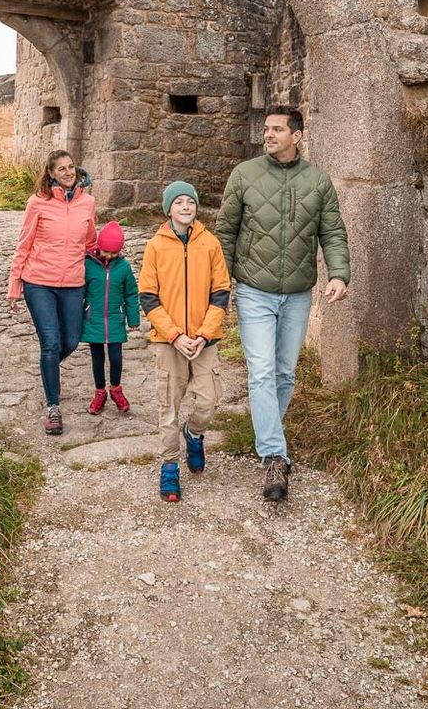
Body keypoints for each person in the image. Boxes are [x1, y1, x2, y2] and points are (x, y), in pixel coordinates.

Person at [215, 108, 350, 503]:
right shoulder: (244, 175)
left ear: (297, 135)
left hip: (297, 293)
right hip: (254, 289)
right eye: (267, 129)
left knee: (284, 373)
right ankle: (273, 455)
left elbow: (334, 232)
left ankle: (268, 434)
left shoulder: (318, 182)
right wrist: (221, 286)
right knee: (260, 372)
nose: (268, 135)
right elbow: (225, 232)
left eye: (277, 129)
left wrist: (339, 274)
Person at [138, 181, 230, 503]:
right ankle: (169, 465)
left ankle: (194, 433)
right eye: (178, 202)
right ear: (168, 209)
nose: (186, 207)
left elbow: (221, 293)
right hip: (169, 341)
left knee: (209, 400)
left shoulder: (211, 244)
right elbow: (148, 297)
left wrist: (204, 334)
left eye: (190, 202)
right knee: (169, 406)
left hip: (206, 339)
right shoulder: (155, 246)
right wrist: (175, 335)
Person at [7, 149, 97, 435]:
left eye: (71, 167)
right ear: (51, 174)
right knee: (50, 342)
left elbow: (91, 242)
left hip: (73, 283)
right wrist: (15, 285)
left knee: (70, 340)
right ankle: (53, 407)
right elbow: (24, 244)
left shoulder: (88, 203)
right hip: (39, 282)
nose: (68, 173)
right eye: (62, 169)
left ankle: (48, 370)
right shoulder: (37, 203)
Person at [81, 220, 141, 415]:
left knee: (116, 357)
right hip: (94, 320)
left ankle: (115, 388)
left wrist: (133, 318)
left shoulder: (123, 268)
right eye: (106, 251)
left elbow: (131, 293)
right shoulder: (88, 265)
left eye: (114, 253)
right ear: (99, 247)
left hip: (115, 319)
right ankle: (100, 392)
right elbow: (79, 292)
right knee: (97, 358)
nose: (109, 256)